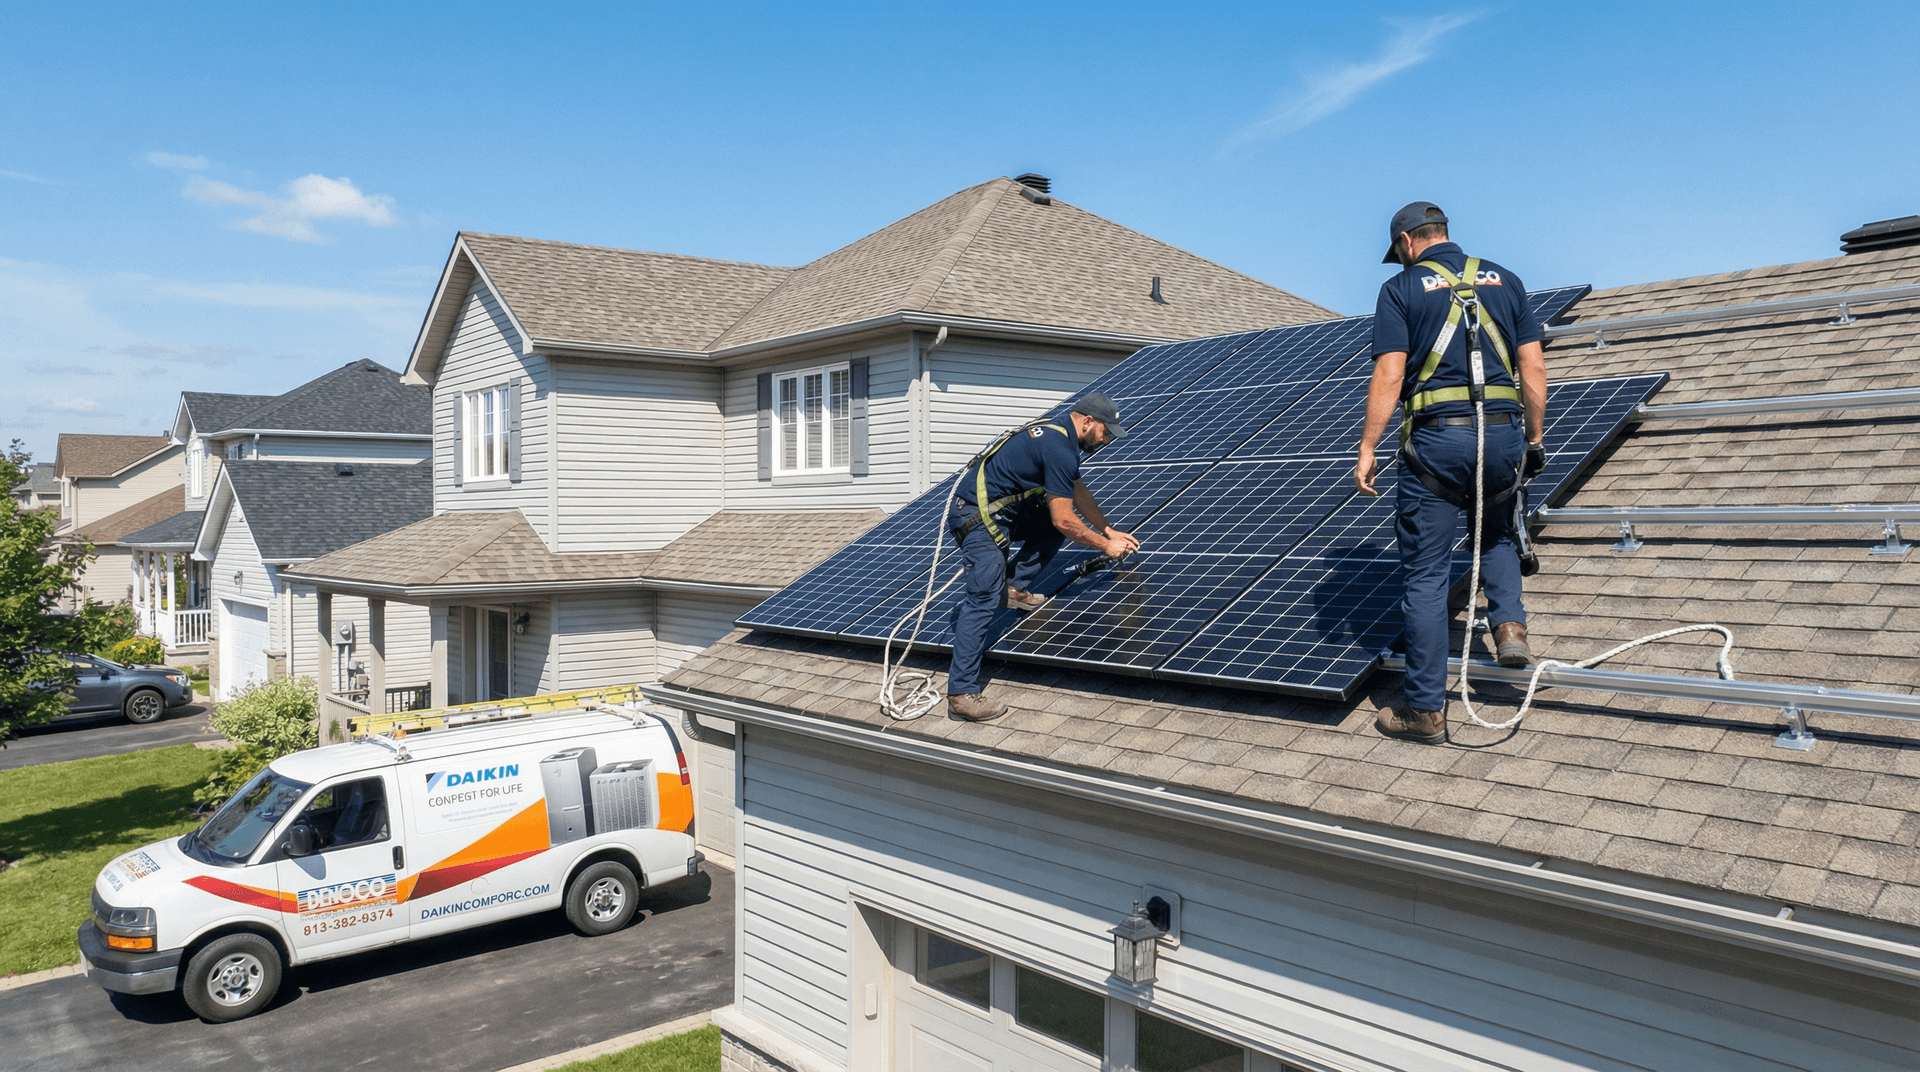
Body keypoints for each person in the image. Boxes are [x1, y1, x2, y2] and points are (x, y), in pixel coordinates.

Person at [1355, 202, 1549, 743]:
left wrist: (1368, 445)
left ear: (1406, 242)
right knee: (1498, 529)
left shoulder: (1401, 289)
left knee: (1426, 575)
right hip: (1503, 434)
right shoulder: (1505, 280)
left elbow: (1390, 372)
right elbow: (1533, 366)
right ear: (1443, 234)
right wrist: (1534, 439)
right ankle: (1509, 627)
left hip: (1439, 442)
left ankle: (1424, 710)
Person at [947, 393, 1140, 722]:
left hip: (1004, 514)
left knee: (1052, 527)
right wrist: (1104, 546)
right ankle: (961, 694)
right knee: (982, 596)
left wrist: (1108, 530)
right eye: (1105, 432)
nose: (1106, 440)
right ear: (1087, 422)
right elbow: (1065, 519)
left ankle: (1011, 587)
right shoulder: (1058, 448)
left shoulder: (1060, 434)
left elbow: (1077, 492)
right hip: (976, 518)